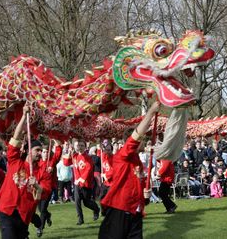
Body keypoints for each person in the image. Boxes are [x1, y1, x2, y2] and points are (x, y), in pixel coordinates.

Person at [98, 101, 159, 239]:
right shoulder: (122, 155)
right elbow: (135, 137)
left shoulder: (137, 160)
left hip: (136, 212)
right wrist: (150, 113)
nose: (143, 141)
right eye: (141, 139)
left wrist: (145, 196)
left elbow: (138, 186)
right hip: (120, 209)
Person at [0, 105, 52, 239]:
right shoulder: (14, 161)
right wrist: (23, 116)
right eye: (37, 150)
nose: (39, 153)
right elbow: (16, 136)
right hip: (6, 209)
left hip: (24, 213)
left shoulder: (43, 172)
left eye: (40, 151)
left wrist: (37, 186)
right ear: (28, 150)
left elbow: (44, 193)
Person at [63, 139, 100, 225]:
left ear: (85, 147)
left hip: (86, 184)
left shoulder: (88, 157)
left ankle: (96, 209)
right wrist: (69, 153)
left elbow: (89, 168)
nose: (80, 147)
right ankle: (80, 219)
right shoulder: (74, 156)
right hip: (77, 184)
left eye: (82, 145)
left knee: (86, 203)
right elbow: (66, 163)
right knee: (77, 201)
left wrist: (81, 179)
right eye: (78, 145)